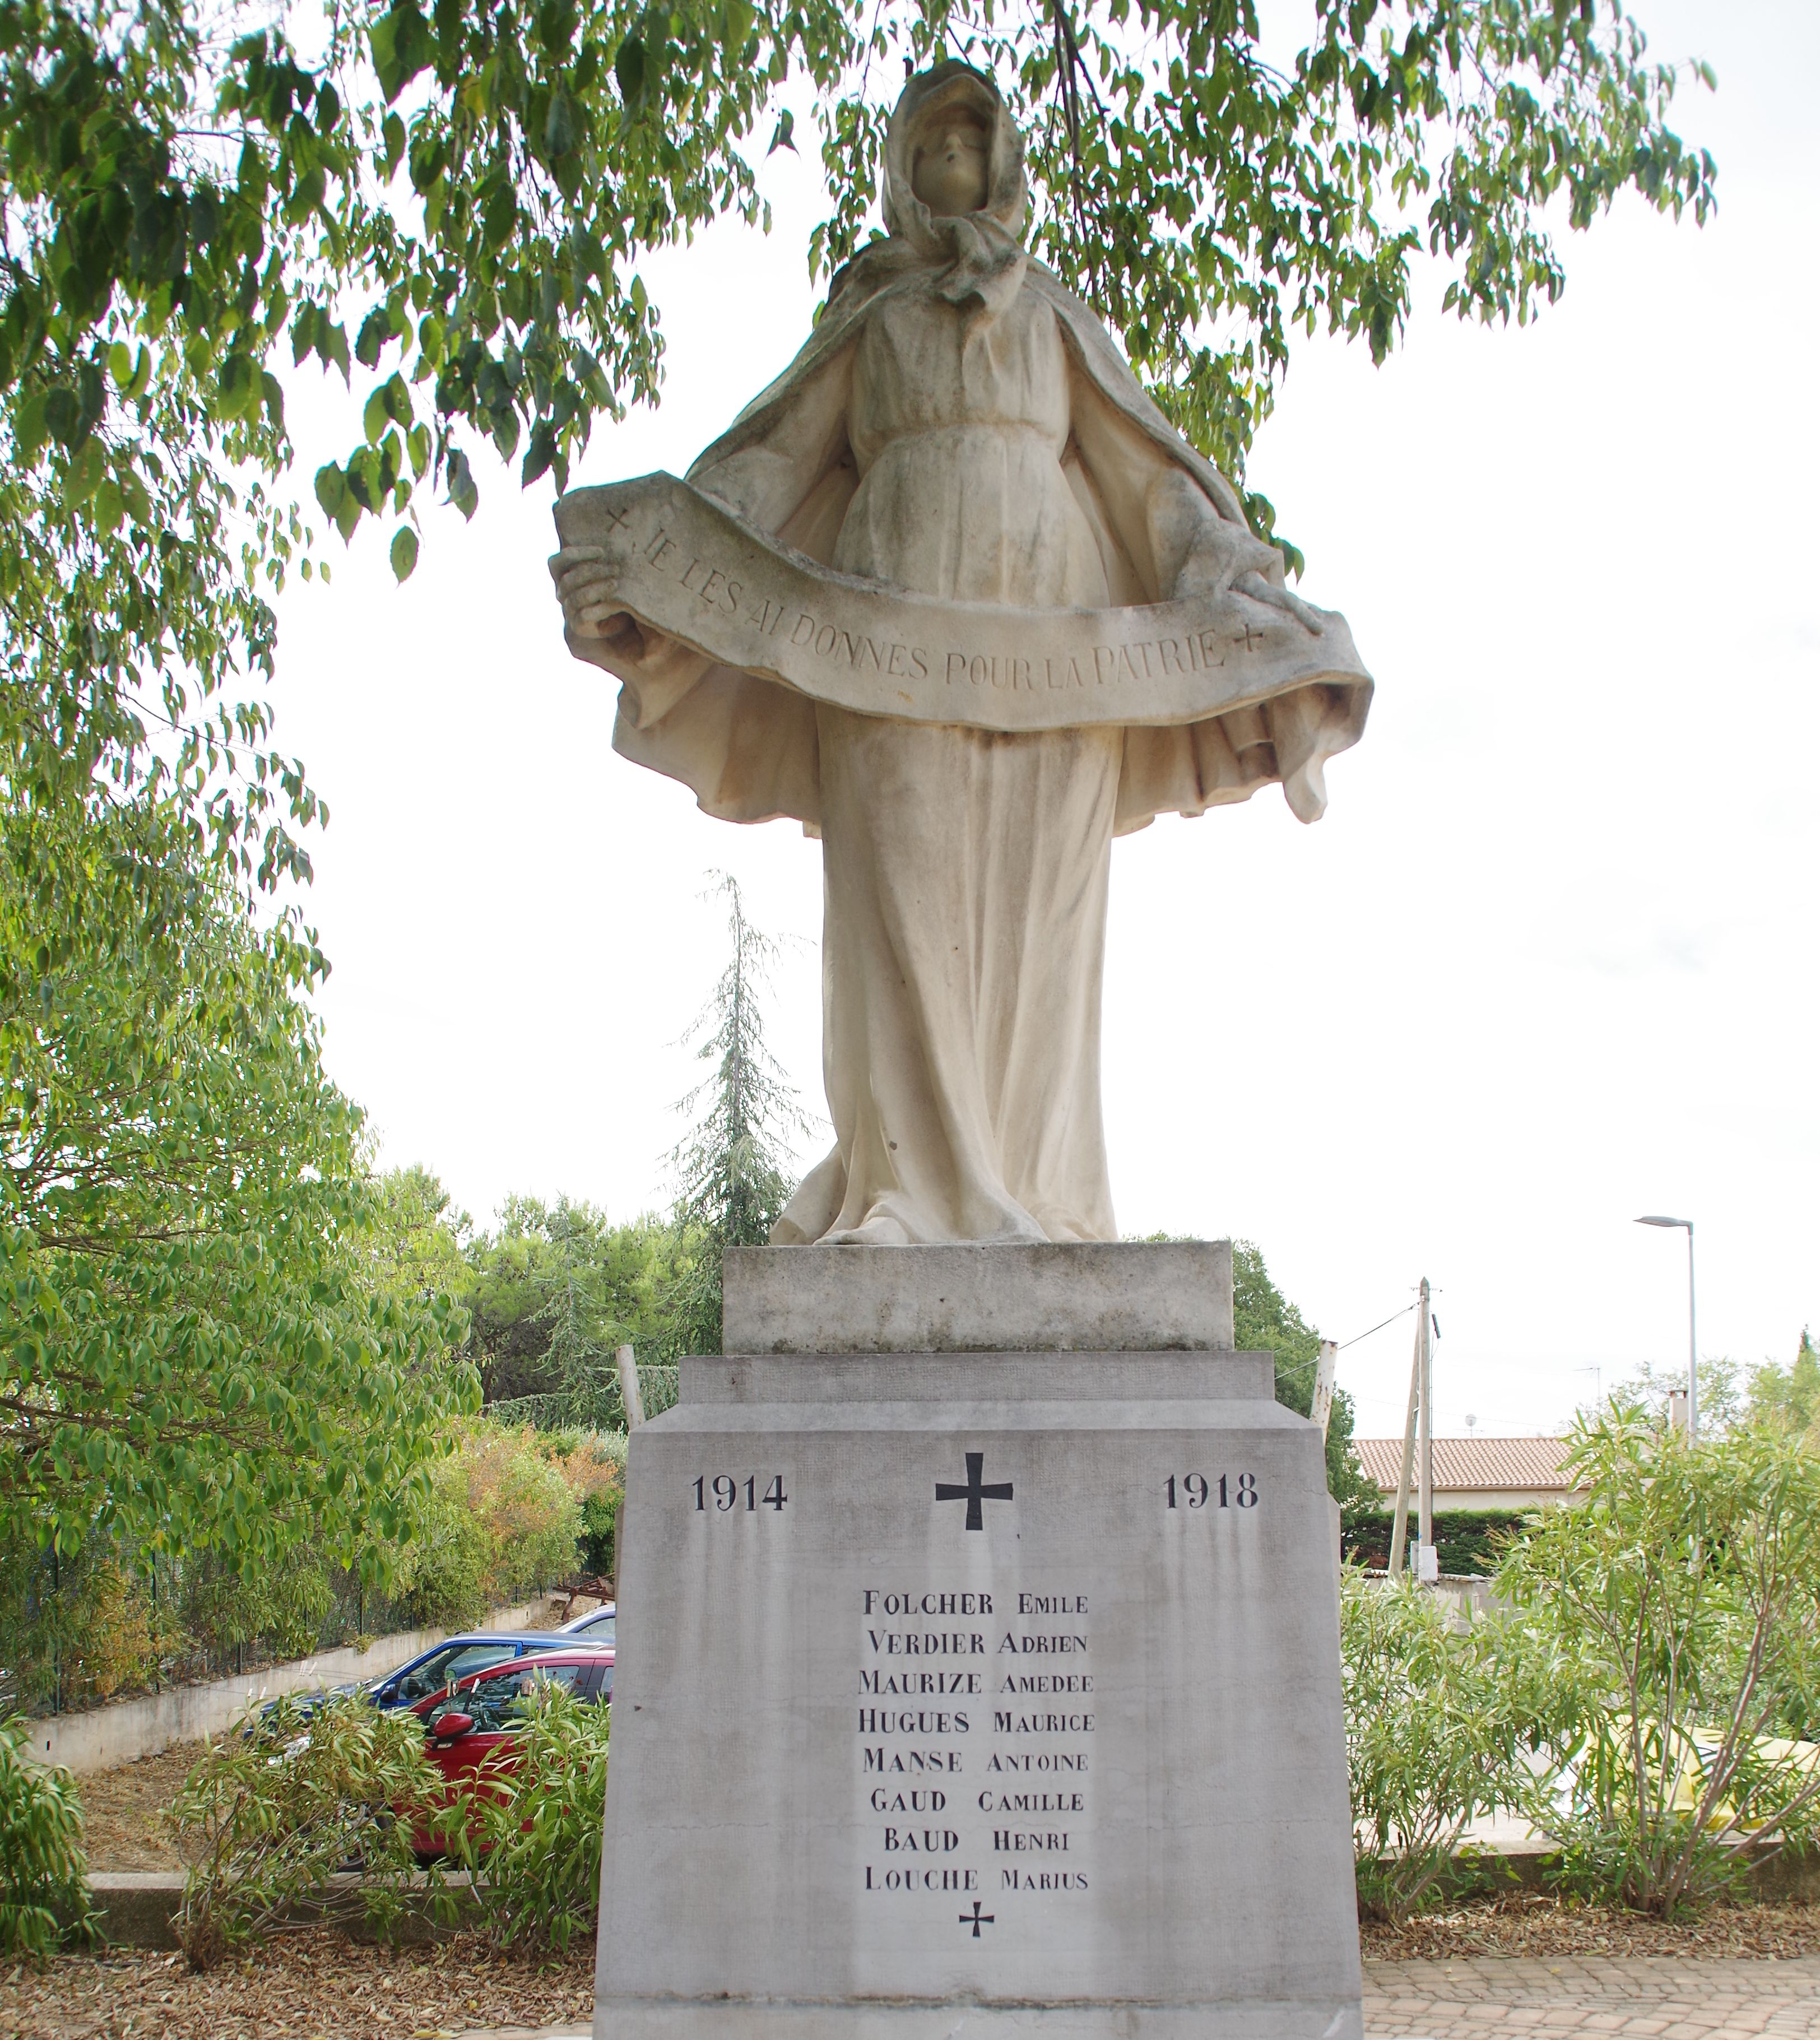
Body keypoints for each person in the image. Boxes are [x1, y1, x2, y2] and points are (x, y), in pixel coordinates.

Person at [558, 64, 1366, 1245]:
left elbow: (1156, 485)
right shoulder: (873, 316)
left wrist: (1230, 585)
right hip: (882, 626)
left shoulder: (1054, 317)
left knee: (1043, 912)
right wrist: (655, 565)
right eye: (928, 139)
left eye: (968, 137)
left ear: (1003, 162)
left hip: (1057, 641)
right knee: (900, 894)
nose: (949, 156)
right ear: (900, 166)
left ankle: (1034, 1193)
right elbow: (762, 471)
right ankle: (902, 1190)